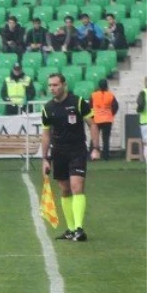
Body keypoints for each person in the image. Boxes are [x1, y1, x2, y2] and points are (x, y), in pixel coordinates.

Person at [41, 73, 99, 242]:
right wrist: (45, 158)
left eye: (56, 85)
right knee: (65, 190)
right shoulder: (47, 108)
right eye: (50, 85)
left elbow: (93, 125)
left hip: (77, 150)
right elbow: (46, 135)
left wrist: (95, 148)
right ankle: (71, 229)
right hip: (58, 152)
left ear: (64, 85)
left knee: (76, 186)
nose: (52, 88)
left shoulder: (78, 102)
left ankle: (80, 229)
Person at [89, 79, 118, 161]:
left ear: (99, 86)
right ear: (106, 86)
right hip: (107, 119)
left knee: (94, 138)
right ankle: (106, 157)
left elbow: (89, 106)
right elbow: (115, 106)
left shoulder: (93, 95)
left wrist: (93, 116)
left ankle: (92, 155)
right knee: (106, 139)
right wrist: (111, 114)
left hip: (97, 119)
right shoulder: (110, 95)